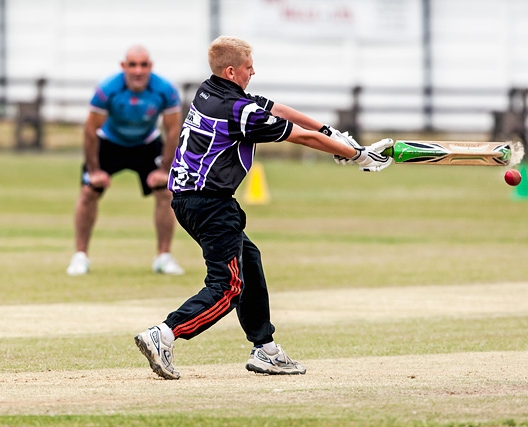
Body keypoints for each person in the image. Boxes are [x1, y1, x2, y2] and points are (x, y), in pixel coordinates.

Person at [134, 36, 393, 380]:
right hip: (210, 203)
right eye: (247, 67)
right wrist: (358, 155)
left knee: (248, 260)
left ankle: (265, 349)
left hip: (188, 199)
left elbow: (280, 110)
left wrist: (332, 133)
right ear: (231, 70)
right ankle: (164, 334)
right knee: (227, 287)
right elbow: (301, 138)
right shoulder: (239, 112)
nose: (253, 71)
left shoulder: (210, 91)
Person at [66, 45, 185, 276]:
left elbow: (173, 131)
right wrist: (94, 170)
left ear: (150, 67)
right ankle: (80, 256)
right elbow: (91, 130)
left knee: (166, 191)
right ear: (124, 67)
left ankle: (163, 256)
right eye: (132, 65)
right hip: (110, 142)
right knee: (88, 191)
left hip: (147, 143)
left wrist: (164, 169)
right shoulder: (107, 89)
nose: (138, 70)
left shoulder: (165, 90)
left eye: (143, 65)